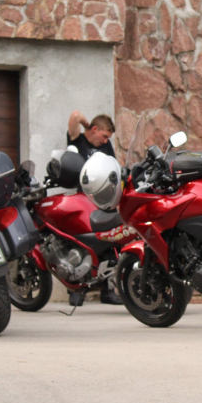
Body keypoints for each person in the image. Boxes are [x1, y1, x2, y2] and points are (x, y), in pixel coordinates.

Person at [65, 110, 122, 306]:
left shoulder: (106, 148)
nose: (105, 141)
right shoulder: (78, 141)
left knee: (111, 243)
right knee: (80, 244)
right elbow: (75, 116)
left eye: (108, 138)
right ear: (95, 129)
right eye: (104, 136)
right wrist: (87, 125)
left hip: (104, 203)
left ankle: (108, 290)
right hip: (82, 201)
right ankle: (76, 290)